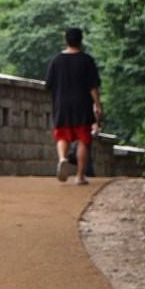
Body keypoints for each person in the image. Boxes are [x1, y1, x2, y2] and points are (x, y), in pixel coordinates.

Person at [45, 27, 102, 185]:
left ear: (66, 40)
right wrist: (97, 105)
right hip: (82, 105)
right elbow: (93, 87)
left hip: (62, 105)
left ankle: (63, 158)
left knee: (62, 135)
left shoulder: (56, 60)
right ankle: (79, 176)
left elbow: (48, 84)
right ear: (81, 41)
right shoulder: (87, 60)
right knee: (83, 139)